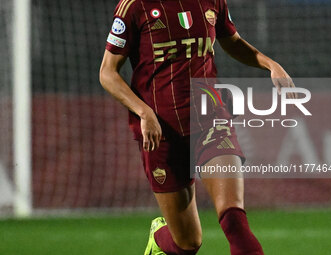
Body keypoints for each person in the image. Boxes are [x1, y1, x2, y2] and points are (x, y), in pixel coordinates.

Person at [99, 0, 296, 254]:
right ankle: (159, 238)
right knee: (188, 243)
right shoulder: (135, 6)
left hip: (211, 121)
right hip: (162, 133)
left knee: (235, 222)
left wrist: (270, 64)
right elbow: (107, 72)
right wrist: (143, 112)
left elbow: (232, 41)